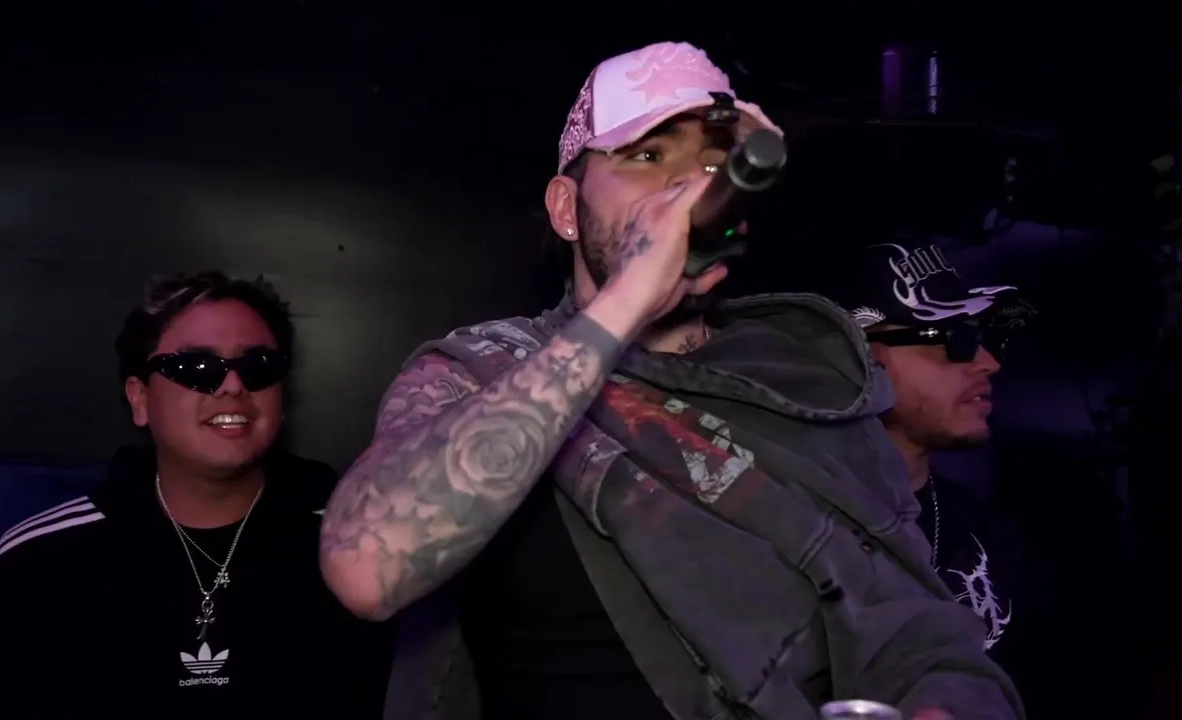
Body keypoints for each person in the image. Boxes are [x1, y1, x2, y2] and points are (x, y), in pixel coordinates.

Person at [320, 41, 1022, 720]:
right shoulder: (482, 370)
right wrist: (626, 300)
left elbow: (917, 633)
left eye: (717, 165)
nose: (691, 187)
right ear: (566, 209)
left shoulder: (813, 386)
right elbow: (365, 568)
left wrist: (943, 705)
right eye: (649, 157)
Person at [0, 272, 392, 719]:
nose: (233, 386)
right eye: (198, 368)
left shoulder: (362, 548)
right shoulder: (35, 565)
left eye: (258, 367)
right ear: (140, 398)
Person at [831, 239, 1076, 717]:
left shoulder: (998, 534)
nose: (988, 362)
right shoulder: (778, 532)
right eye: (952, 338)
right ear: (854, 357)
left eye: (982, 337)